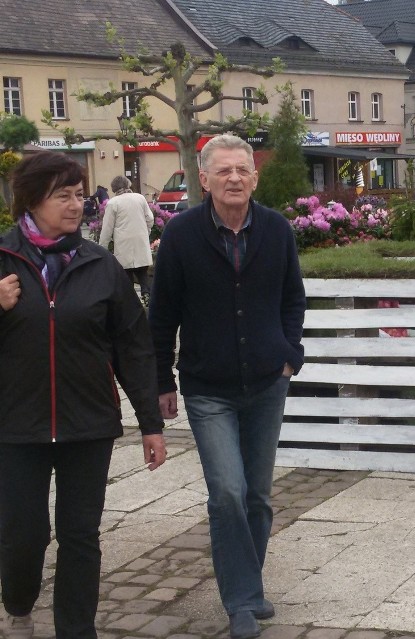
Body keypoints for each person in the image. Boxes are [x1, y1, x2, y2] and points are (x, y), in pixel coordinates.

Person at [0, 152, 167, 639]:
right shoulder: (2, 259)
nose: (77, 205)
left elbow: (133, 348)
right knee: (23, 535)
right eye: (63, 196)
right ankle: (18, 606)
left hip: (87, 423)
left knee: (80, 536)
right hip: (14, 425)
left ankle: (77, 630)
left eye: (79, 195)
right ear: (31, 201)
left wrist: (151, 425)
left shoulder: (101, 264)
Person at [148, 134, 306, 639]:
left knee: (257, 495)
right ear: (205, 179)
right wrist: (160, 379)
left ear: (254, 177)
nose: (234, 178)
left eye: (242, 170)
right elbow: (162, 312)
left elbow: (293, 300)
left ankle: (249, 586)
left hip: (266, 383)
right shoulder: (181, 235)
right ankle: (241, 601)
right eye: (224, 171)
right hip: (207, 386)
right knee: (227, 493)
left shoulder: (277, 230)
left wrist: (288, 357)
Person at [99, 175, 154, 306]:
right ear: (128, 185)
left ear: (114, 188)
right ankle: (146, 293)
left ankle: (131, 301)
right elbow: (150, 218)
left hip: (123, 243)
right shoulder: (140, 198)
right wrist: (146, 231)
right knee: (142, 271)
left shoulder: (113, 203)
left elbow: (107, 228)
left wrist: (102, 247)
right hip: (140, 239)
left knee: (126, 273)